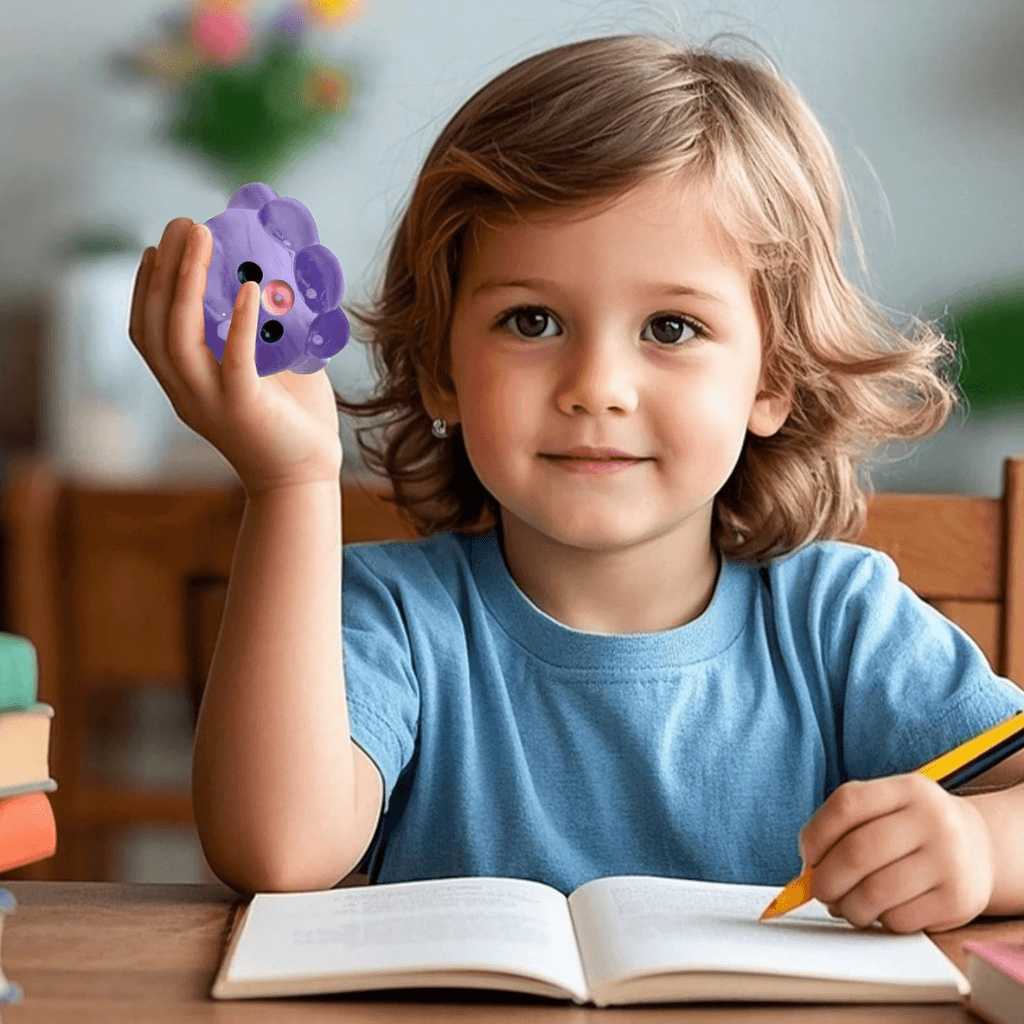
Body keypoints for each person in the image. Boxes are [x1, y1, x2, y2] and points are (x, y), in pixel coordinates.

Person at [129, 33, 1024, 933]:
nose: (596, 387)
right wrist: (291, 481)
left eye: (671, 328)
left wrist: (980, 848)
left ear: (773, 380)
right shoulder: (389, 619)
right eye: (532, 319)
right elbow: (276, 851)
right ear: (441, 365)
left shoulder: (842, 625)